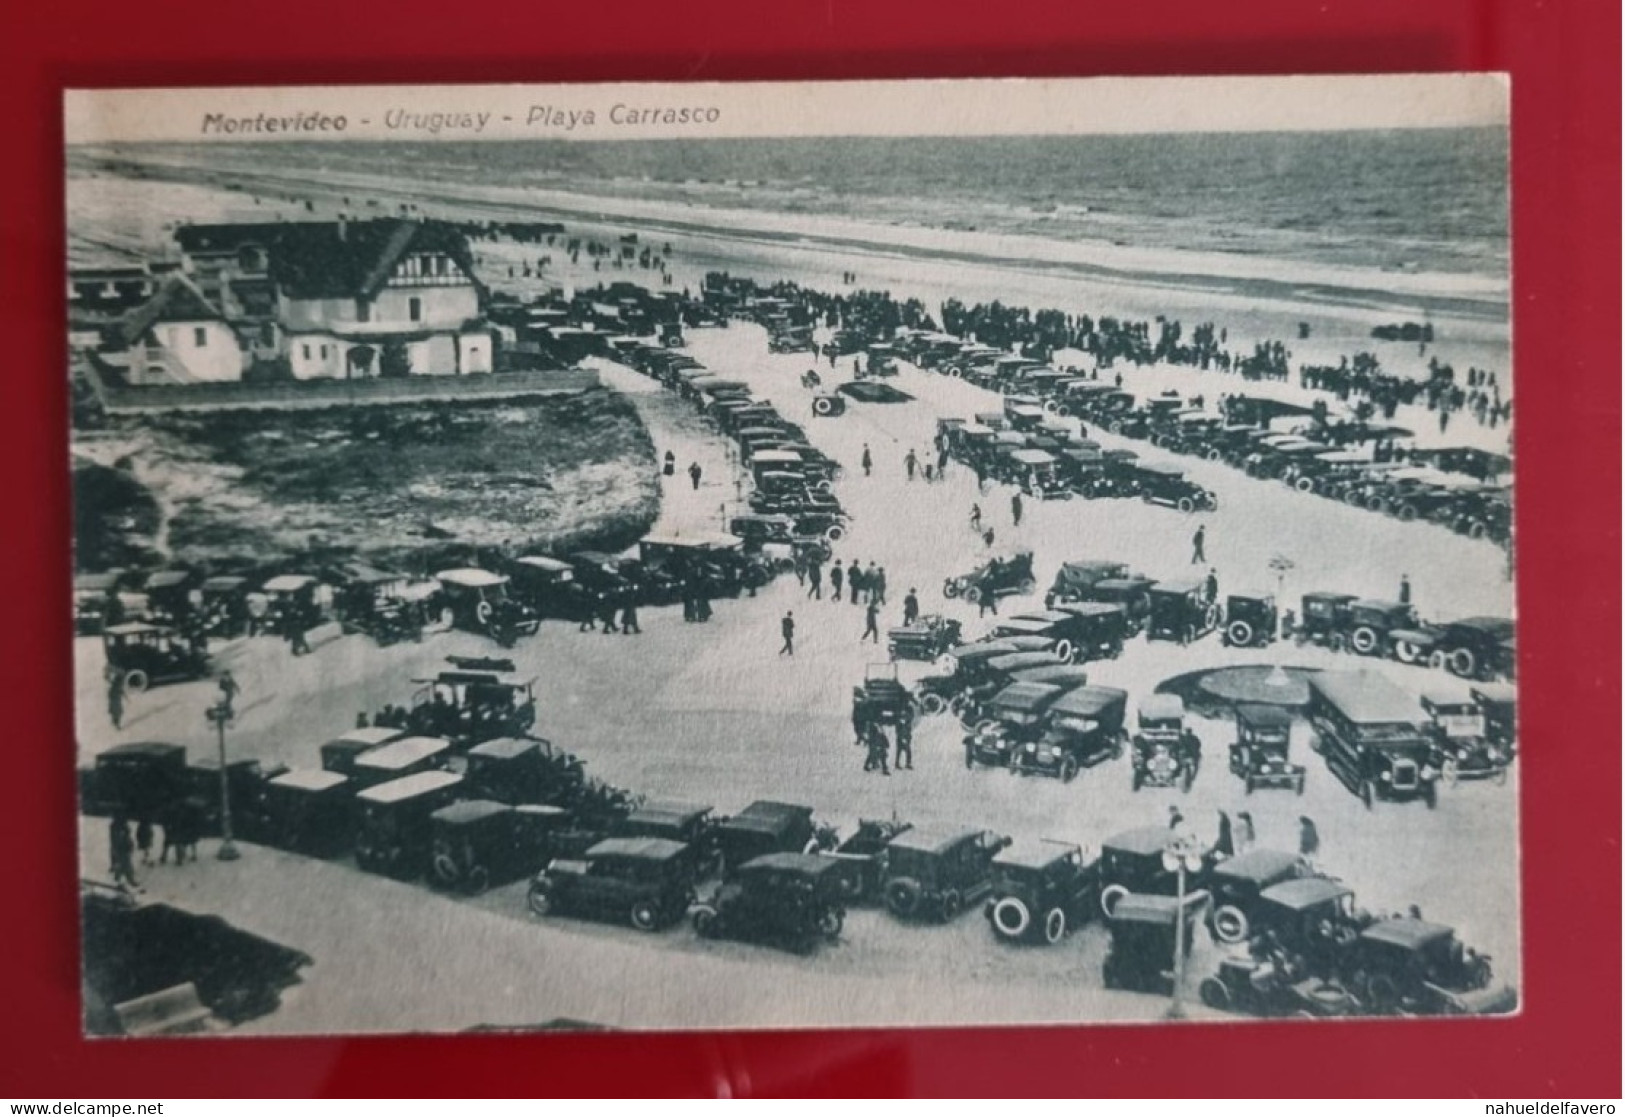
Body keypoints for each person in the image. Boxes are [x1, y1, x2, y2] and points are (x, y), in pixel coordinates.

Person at [109, 817, 137, 891]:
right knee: (126, 865)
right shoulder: (118, 829)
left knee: (122, 865)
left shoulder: (119, 828)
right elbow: (117, 840)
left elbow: (127, 837)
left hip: (123, 848)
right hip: (121, 849)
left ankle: (118, 879)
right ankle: (129, 880)